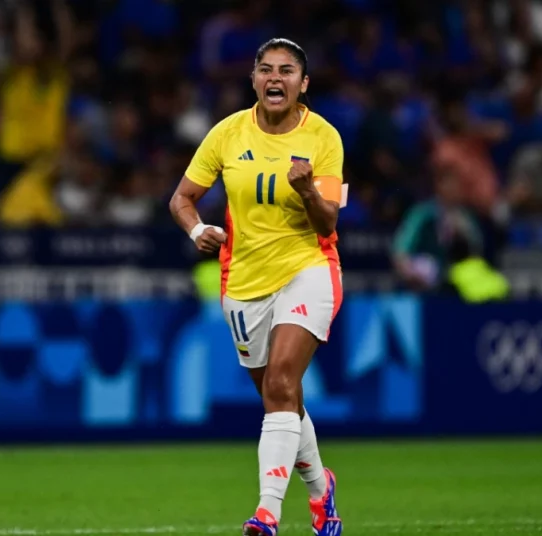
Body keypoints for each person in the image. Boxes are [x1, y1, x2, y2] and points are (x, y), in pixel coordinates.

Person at [169, 38, 344, 536]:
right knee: (279, 398)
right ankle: (320, 490)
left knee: (283, 383)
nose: (275, 78)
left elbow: (328, 223)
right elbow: (182, 199)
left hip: (308, 267)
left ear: (302, 84)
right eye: (266, 69)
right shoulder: (226, 134)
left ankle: (267, 512)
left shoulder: (324, 137)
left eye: (287, 71)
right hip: (242, 281)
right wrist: (197, 229)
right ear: (253, 79)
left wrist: (308, 188)